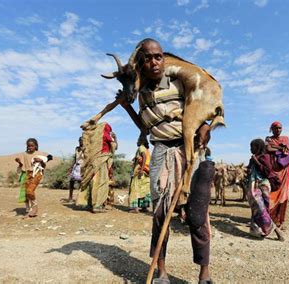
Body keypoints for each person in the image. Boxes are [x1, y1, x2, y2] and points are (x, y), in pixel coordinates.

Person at [119, 38, 213, 283]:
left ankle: (204, 273)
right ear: (141, 63)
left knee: (197, 214)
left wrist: (204, 125)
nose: (153, 62)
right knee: (160, 214)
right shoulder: (141, 93)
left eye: (157, 56)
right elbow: (145, 126)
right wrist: (126, 107)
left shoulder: (179, 82)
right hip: (161, 151)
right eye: (147, 58)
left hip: (189, 149)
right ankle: (161, 272)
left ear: (164, 58)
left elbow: (199, 106)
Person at [246, 139, 284, 241]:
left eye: (252, 147)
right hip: (254, 185)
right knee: (257, 208)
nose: (250, 149)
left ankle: (275, 230)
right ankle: (257, 231)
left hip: (263, 185)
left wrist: (256, 161)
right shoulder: (252, 158)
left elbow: (267, 172)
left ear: (258, 147)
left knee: (262, 209)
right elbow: (249, 170)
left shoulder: (265, 157)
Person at [76, 122, 115, 213]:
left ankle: (88, 203)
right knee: (101, 183)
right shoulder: (106, 135)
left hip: (92, 163)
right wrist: (113, 141)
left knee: (91, 181)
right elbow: (113, 147)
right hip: (101, 161)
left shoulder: (93, 136)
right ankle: (97, 205)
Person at [265, 121, 289, 229]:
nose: (278, 130)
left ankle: (280, 221)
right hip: (274, 171)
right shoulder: (269, 139)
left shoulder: (286, 139)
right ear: (272, 129)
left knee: (284, 197)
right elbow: (268, 148)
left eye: (280, 128)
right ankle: (270, 219)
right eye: (276, 128)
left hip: (285, 171)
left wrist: (286, 150)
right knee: (272, 195)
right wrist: (280, 148)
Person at [15, 138, 51, 218]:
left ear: (36, 146)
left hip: (37, 173)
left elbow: (44, 165)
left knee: (30, 190)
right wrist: (19, 163)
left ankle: (34, 207)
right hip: (28, 174)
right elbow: (22, 166)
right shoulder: (24, 154)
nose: (30, 147)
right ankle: (29, 210)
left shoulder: (39, 153)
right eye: (28, 146)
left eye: (32, 146)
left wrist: (41, 161)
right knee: (26, 193)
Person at [128, 133, 152, 213]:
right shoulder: (146, 149)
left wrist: (141, 170)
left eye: (138, 140)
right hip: (147, 172)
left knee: (135, 188)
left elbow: (144, 157)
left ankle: (134, 208)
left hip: (140, 171)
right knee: (144, 189)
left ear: (141, 141)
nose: (137, 142)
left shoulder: (141, 147)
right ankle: (144, 207)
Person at [67, 137, 84, 203]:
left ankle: (80, 198)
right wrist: (71, 167)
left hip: (82, 167)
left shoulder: (86, 149)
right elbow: (75, 158)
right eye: (80, 140)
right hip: (76, 166)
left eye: (82, 140)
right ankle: (70, 197)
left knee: (81, 183)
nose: (80, 142)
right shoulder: (77, 148)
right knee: (71, 181)